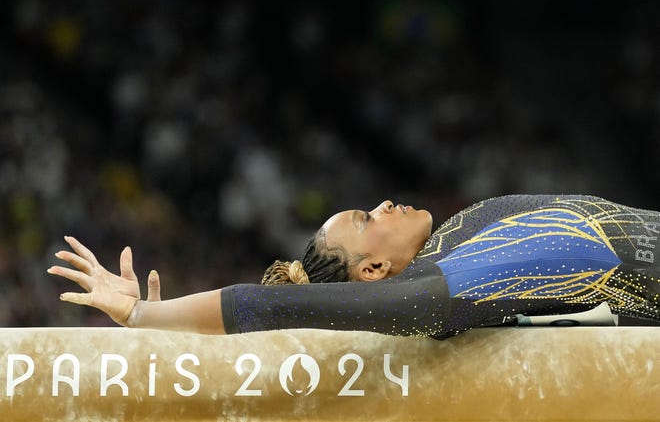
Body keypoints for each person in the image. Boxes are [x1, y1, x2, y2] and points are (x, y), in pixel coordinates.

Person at [48, 194, 660, 339]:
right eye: (367, 221)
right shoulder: (448, 289)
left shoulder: (459, 253)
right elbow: (273, 306)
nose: (384, 205)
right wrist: (144, 317)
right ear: (373, 275)